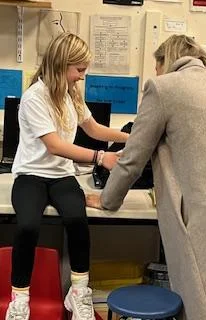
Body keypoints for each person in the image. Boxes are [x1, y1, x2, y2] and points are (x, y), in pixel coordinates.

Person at [86, 34, 206, 320]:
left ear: (164, 61)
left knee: (204, 305)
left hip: (204, 216)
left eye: (156, 67)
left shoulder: (163, 88)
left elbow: (132, 158)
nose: (155, 73)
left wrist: (107, 200)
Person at [6, 32, 128, 320]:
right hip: (31, 176)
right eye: (80, 70)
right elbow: (55, 145)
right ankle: (19, 299)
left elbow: (94, 129)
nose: (82, 77)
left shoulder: (71, 95)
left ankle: (78, 293)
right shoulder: (34, 97)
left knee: (76, 221)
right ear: (62, 65)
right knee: (27, 227)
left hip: (62, 177)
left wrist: (134, 139)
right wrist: (101, 157)